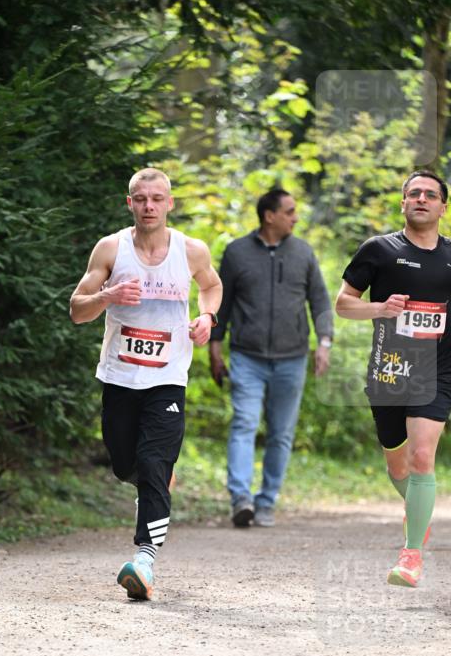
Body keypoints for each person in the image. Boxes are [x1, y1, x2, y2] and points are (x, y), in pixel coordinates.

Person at [70, 168, 222, 600]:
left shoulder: (190, 250)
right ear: (130, 203)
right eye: (141, 199)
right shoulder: (111, 249)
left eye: (157, 199)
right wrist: (108, 296)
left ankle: (144, 560)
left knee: (155, 462)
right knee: (126, 465)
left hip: (167, 379)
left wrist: (207, 317)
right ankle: (151, 487)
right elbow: (77, 310)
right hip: (120, 377)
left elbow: (212, 285)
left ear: (170, 203)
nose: (149, 206)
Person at [335, 169, 451, 587]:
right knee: (398, 466)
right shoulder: (379, 250)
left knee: (420, 458)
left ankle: (411, 554)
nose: (421, 199)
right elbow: (343, 303)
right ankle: (418, 511)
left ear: (442, 207)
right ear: (403, 203)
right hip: (390, 368)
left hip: (437, 370)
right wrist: (379, 309)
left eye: (430, 195)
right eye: (414, 193)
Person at [209, 188, 334, 527]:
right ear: (269, 216)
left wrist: (324, 342)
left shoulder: (303, 253)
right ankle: (241, 499)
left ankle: (266, 501)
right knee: (244, 423)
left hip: (292, 358)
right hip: (246, 357)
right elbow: (222, 302)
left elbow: (320, 301)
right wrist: (214, 346)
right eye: (289, 211)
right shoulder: (236, 252)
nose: (296, 217)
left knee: (280, 433)